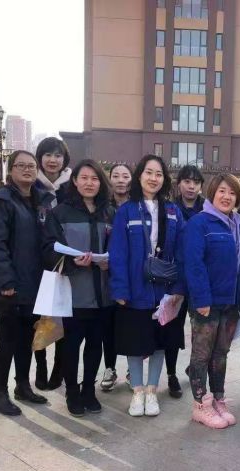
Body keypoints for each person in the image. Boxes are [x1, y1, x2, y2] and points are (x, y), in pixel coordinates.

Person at [109, 154, 185, 417]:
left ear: (164, 179)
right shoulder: (127, 211)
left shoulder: (173, 212)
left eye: (159, 174)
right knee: (135, 342)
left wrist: (179, 289)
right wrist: (120, 289)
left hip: (165, 290)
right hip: (135, 289)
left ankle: (152, 390)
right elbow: (117, 253)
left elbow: (182, 252)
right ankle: (138, 391)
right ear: (139, 176)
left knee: (160, 342)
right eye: (149, 173)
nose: (154, 178)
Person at [0, 150, 54, 416]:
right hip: (11, 285)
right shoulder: (1, 200)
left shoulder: (42, 201)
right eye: (21, 165)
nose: (27, 169)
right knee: (8, 340)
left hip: (36, 284)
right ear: (11, 170)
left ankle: (22, 386)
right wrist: (5, 280)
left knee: (27, 339)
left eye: (31, 166)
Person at [42, 159, 114, 417]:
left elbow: (120, 247)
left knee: (95, 345)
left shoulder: (109, 213)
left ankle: (89, 391)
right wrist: (71, 262)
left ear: (101, 183)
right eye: (84, 178)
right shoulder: (61, 213)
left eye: (94, 179)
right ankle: (72, 392)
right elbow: (48, 248)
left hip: (103, 293)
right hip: (73, 292)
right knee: (71, 346)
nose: (89, 183)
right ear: (74, 181)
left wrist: (110, 263)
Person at [182, 173, 240, 428]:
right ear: (212, 193)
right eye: (222, 191)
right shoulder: (200, 223)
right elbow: (194, 263)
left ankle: (218, 398)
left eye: (232, 193)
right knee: (201, 354)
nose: (227, 196)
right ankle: (200, 404)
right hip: (207, 302)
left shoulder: (238, 223)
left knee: (221, 353)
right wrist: (201, 298)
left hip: (231, 302)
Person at [33, 137, 72, 391]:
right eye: (48, 154)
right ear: (40, 158)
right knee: (39, 318)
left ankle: (59, 368)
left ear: (64, 159)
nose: (52, 160)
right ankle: (40, 366)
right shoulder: (32, 186)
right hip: (37, 262)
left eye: (57, 155)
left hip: (65, 262)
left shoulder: (71, 187)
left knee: (62, 317)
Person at [164, 165, 206, 398]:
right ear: (178, 184)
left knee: (201, 330)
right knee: (173, 329)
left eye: (196, 182)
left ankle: (194, 368)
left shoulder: (208, 210)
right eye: (187, 181)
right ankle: (171, 375)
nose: (191, 186)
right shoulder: (169, 209)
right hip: (176, 279)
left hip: (200, 279)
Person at [100, 162, 132, 393]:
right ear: (109, 179)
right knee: (108, 326)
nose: (121, 180)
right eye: (116, 176)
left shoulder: (137, 207)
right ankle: (109, 368)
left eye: (125, 176)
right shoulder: (102, 207)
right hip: (105, 276)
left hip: (131, 276)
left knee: (131, 325)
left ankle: (133, 370)